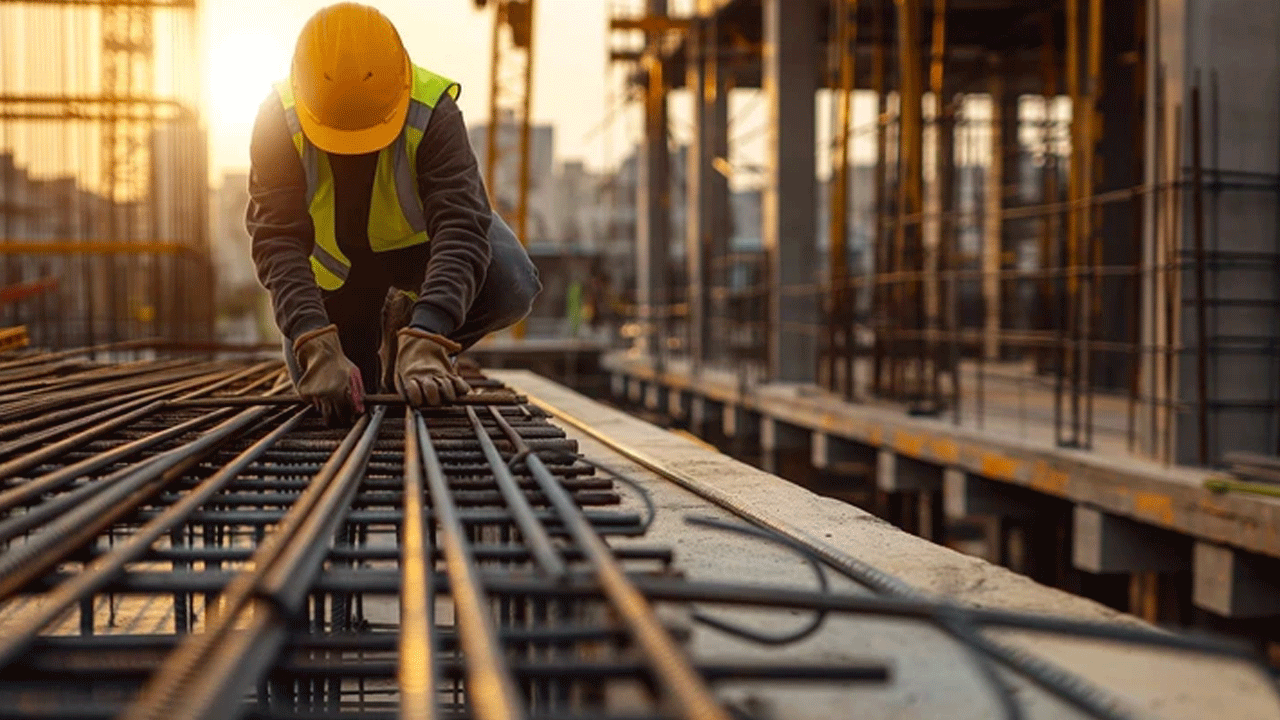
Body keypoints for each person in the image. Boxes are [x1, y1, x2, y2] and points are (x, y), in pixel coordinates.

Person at [245, 2, 540, 425]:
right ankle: (365, 341)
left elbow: (461, 226)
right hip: (339, 275)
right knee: (344, 402)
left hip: (416, 251)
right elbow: (277, 239)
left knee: (512, 281)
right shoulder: (277, 118)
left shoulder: (432, 111)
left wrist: (429, 334)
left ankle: (409, 334)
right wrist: (312, 338)